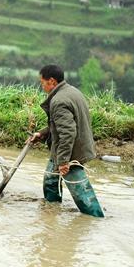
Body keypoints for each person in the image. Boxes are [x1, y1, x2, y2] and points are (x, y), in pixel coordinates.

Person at [30, 64, 105, 217]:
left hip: (71, 152)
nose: (41, 85)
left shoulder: (59, 101)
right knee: (51, 180)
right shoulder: (72, 91)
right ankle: (51, 211)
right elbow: (61, 126)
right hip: (64, 149)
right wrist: (42, 134)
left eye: (42, 82)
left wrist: (64, 161)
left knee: (81, 191)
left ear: (51, 81)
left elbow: (68, 132)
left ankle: (95, 218)